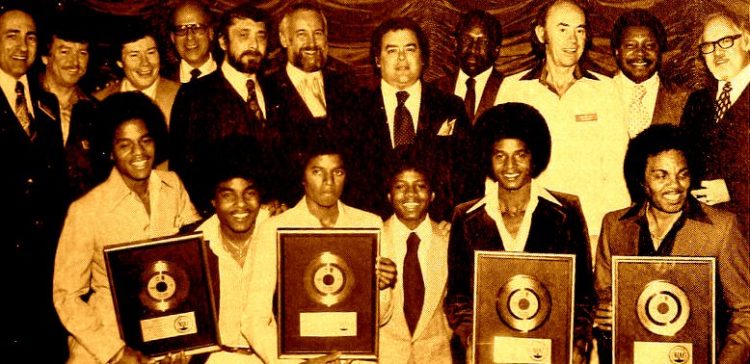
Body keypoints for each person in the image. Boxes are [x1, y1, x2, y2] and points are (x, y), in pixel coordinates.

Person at [53, 92, 202, 364]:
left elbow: (192, 259)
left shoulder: (172, 186)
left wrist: (186, 339)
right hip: (106, 337)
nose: (139, 153)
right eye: (125, 145)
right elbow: (65, 295)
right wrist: (114, 352)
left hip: (168, 326)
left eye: (145, 140)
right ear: (109, 150)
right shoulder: (86, 210)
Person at [445, 103, 594, 364]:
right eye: (500, 156)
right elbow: (458, 297)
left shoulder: (566, 212)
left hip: (548, 347)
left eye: (520, 155)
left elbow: (582, 294)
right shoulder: (465, 216)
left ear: (534, 157)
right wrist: (471, 338)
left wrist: (578, 341)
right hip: (489, 348)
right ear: (488, 160)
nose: (510, 165)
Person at [593, 124, 750, 363]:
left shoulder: (722, 229)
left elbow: (746, 312)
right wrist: (603, 312)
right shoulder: (615, 225)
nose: (674, 186)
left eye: (682, 174)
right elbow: (603, 294)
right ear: (641, 181)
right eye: (661, 176)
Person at [241, 137, 397, 364]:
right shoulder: (274, 229)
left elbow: (382, 317)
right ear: (302, 177)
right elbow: (254, 317)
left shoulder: (369, 224)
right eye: (317, 172)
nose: (328, 182)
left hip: (355, 359)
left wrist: (382, 287)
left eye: (338, 172)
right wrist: (293, 363)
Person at [495, 0, 630, 247]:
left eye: (580, 30)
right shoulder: (514, 89)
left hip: (588, 230)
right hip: (526, 230)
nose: (573, 40)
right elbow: (496, 167)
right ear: (541, 33)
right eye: (563, 29)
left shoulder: (605, 90)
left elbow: (616, 172)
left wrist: (609, 236)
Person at [347, 17, 470, 222]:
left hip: (438, 229)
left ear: (423, 58)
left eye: (410, 49)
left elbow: (467, 174)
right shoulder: (354, 110)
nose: (402, 59)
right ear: (378, 59)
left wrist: (453, 224)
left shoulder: (450, 107)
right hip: (374, 226)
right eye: (392, 50)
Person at [0, 5, 69, 361]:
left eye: (30, 36)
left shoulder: (47, 105)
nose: (22, 45)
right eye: (12, 35)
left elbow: (55, 183)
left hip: (44, 265)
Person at [170, 3, 283, 216]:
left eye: (261, 36)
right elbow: (184, 173)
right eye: (244, 35)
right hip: (222, 222)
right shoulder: (195, 95)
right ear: (222, 41)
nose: (254, 45)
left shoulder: (277, 92)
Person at [189, 137, 271, 364]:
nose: (241, 204)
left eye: (249, 192)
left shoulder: (278, 234)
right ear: (213, 200)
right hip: (217, 358)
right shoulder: (194, 246)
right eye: (228, 195)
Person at [379, 148, 452, 363]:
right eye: (401, 186)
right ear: (389, 195)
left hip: (436, 357)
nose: (411, 194)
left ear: (432, 195)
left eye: (420, 186)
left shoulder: (450, 241)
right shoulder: (373, 240)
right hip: (384, 358)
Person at [681, 11, 749, 235]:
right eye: (708, 46)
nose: (717, 52)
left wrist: (733, 190)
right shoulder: (697, 101)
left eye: (726, 41)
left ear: (747, 41)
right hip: (704, 233)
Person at [268, 2, 359, 153]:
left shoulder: (345, 83)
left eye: (317, 33)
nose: (312, 43)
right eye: (302, 34)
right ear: (284, 39)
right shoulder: (269, 89)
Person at [38, 11, 100, 199]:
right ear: (45, 57)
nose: (74, 62)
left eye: (82, 53)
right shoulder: (25, 101)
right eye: (64, 51)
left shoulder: (96, 111)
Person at [610, 9, 688, 138]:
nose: (640, 53)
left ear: (660, 51)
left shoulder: (685, 99)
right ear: (617, 51)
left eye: (649, 46)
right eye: (630, 46)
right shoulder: (596, 94)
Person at [93, 22, 180, 128]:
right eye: (134, 55)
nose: (145, 63)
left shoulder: (181, 97)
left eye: (151, 53)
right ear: (119, 62)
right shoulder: (98, 101)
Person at [436, 9, 504, 126]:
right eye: (466, 40)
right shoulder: (436, 90)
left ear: (496, 50)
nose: (473, 49)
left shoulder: (508, 89)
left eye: (483, 42)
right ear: (456, 44)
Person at [166, 0, 218, 83]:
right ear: (172, 37)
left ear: (210, 33)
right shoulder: (160, 81)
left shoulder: (232, 76)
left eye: (197, 28)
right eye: (181, 29)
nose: (189, 37)